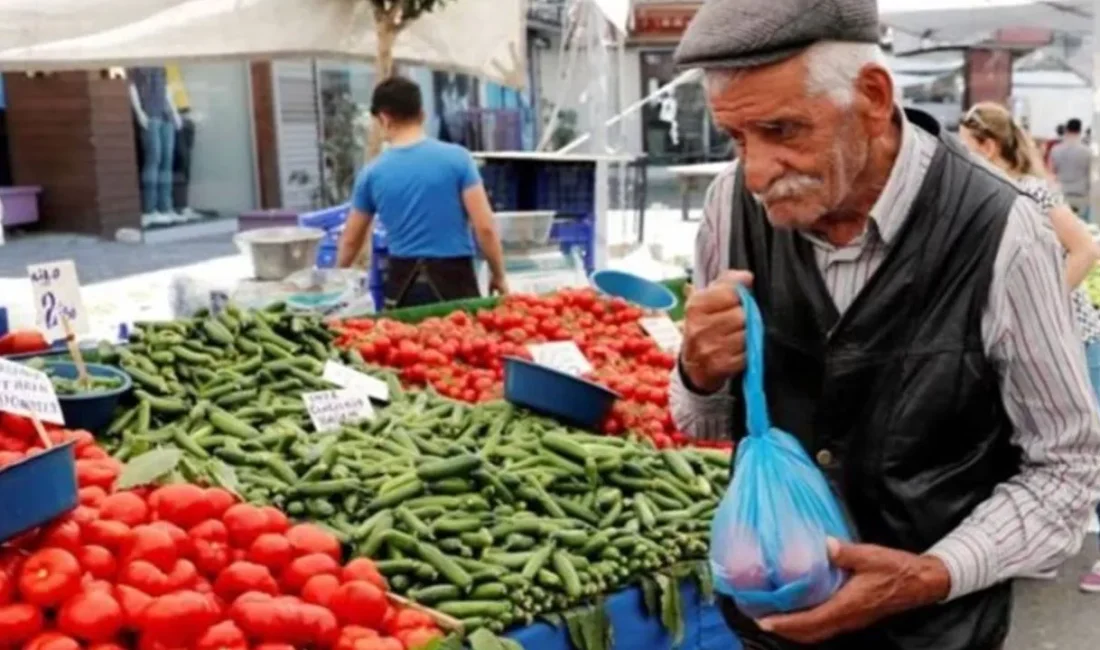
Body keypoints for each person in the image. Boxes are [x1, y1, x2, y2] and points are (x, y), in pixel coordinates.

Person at [671, 0, 1100, 648]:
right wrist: (698, 371)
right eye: (736, 138)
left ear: (872, 97)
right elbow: (704, 422)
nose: (755, 172)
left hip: (933, 633)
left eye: (783, 130)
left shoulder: (1001, 233)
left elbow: (1068, 468)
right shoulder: (729, 207)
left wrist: (930, 574)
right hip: (773, 628)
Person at [959, 102, 1100, 588]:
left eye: (967, 145)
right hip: (1015, 341)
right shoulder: (978, 196)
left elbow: (1085, 247)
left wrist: (1041, 307)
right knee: (1027, 439)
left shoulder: (1030, 192)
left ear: (988, 146)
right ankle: (1037, 545)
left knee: (1075, 440)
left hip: (1069, 337)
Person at [336, 76, 508, 308]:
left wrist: (334, 283)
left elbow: (350, 241)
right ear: (422, 114)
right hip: (456, 284)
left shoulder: (372, 173)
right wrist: (498, 274)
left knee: (408, 343)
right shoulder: (458, 159)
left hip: (403, 287)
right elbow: (485, 228)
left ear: (384, 119)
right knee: (463, 343)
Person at [1050, 117, 1092, 217]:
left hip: (1061, 193)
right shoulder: (1087, 151)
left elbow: (1051, 172)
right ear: (1080, 131)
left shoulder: (1056, 149)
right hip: (1080, 195)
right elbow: (1089, 174)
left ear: (1067, 130)